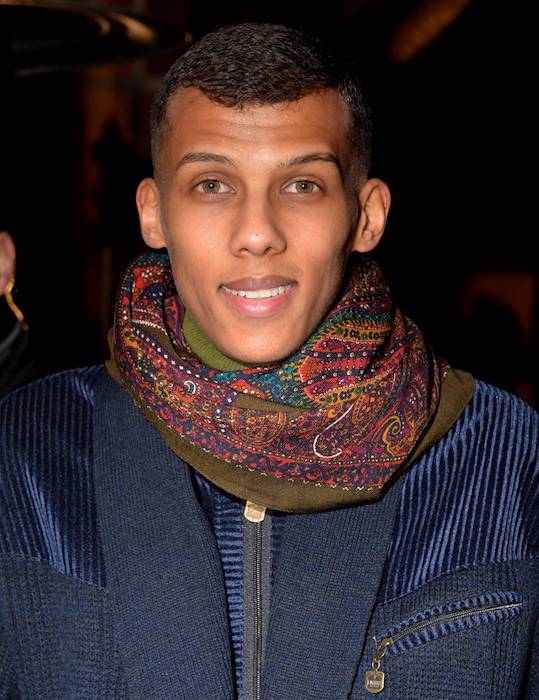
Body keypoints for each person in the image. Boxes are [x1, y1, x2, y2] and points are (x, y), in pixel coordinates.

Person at [0, 21, 537, 700]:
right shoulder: (24, 455)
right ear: (154, 212)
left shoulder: (509, 461)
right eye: (212, 186)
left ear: (365, 215)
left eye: (302, 185)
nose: (257, 234)